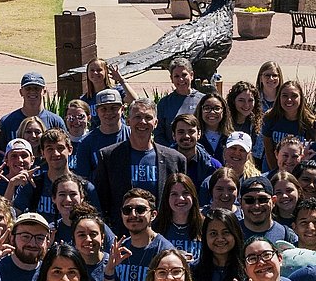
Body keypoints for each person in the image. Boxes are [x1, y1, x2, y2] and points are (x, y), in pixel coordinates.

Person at [94, 98, 187, 231]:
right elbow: (102, 202)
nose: (142, 122)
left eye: (148, 117)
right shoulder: (109, 156)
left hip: (162, 233)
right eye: (137, 117)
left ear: (155, 123)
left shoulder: (175, 159)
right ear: (128, 120)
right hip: (123, 234)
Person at [192, 208, 245, 281]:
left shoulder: (247, 270)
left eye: (226, 233)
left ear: (236, 234)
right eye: (213, 234)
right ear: (205, 237)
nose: (220, 239)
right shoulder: (193, 270)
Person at [260, 81, 316, 171]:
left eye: (294, 96)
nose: (289, 100)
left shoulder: (310, 123)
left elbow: (310, 151)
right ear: (279, 98)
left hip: (298, 170)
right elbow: (268, 150)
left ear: (301, 98)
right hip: (272, 167)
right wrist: (276, 172)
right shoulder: (270, 118)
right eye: (285, 96)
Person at [0, 72, 65, 146]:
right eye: (28, 88)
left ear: (44, 91)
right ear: (21, 92)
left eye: (37, 88)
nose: (32, 91)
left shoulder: (55, 121)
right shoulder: (7, 121)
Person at [154, 172, 204, 262]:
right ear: (167, 197)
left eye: (185, 193)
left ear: (193, 196)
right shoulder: (155, 227)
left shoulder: (206, 225)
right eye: (174, 194)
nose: (180, 198)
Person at [155, 57, 204, 147]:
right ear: (171, 78)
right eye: (177, 76)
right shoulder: (164, 103)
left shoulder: (203, 100)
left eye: (184, 75)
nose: (181, 79)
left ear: (192, 75)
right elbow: (159, 135)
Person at [238, 176, 297, 244]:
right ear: (240, 203)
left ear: (273, 201)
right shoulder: (231, 232)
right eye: (249, 200)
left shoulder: (287, 235)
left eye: (263, 200)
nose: (256, 206)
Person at [171, 113, 222, 191]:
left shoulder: (213, 166)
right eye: (181, 132)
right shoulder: (163, 162)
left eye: (191, 131)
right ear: (174, 135)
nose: (186, 136)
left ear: (199, 134)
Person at [229, 81, 265, 164]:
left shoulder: (257, 123)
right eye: (241, 100)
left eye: (250, 100)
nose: (246, 105)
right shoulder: (225, 122)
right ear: (233, 101)